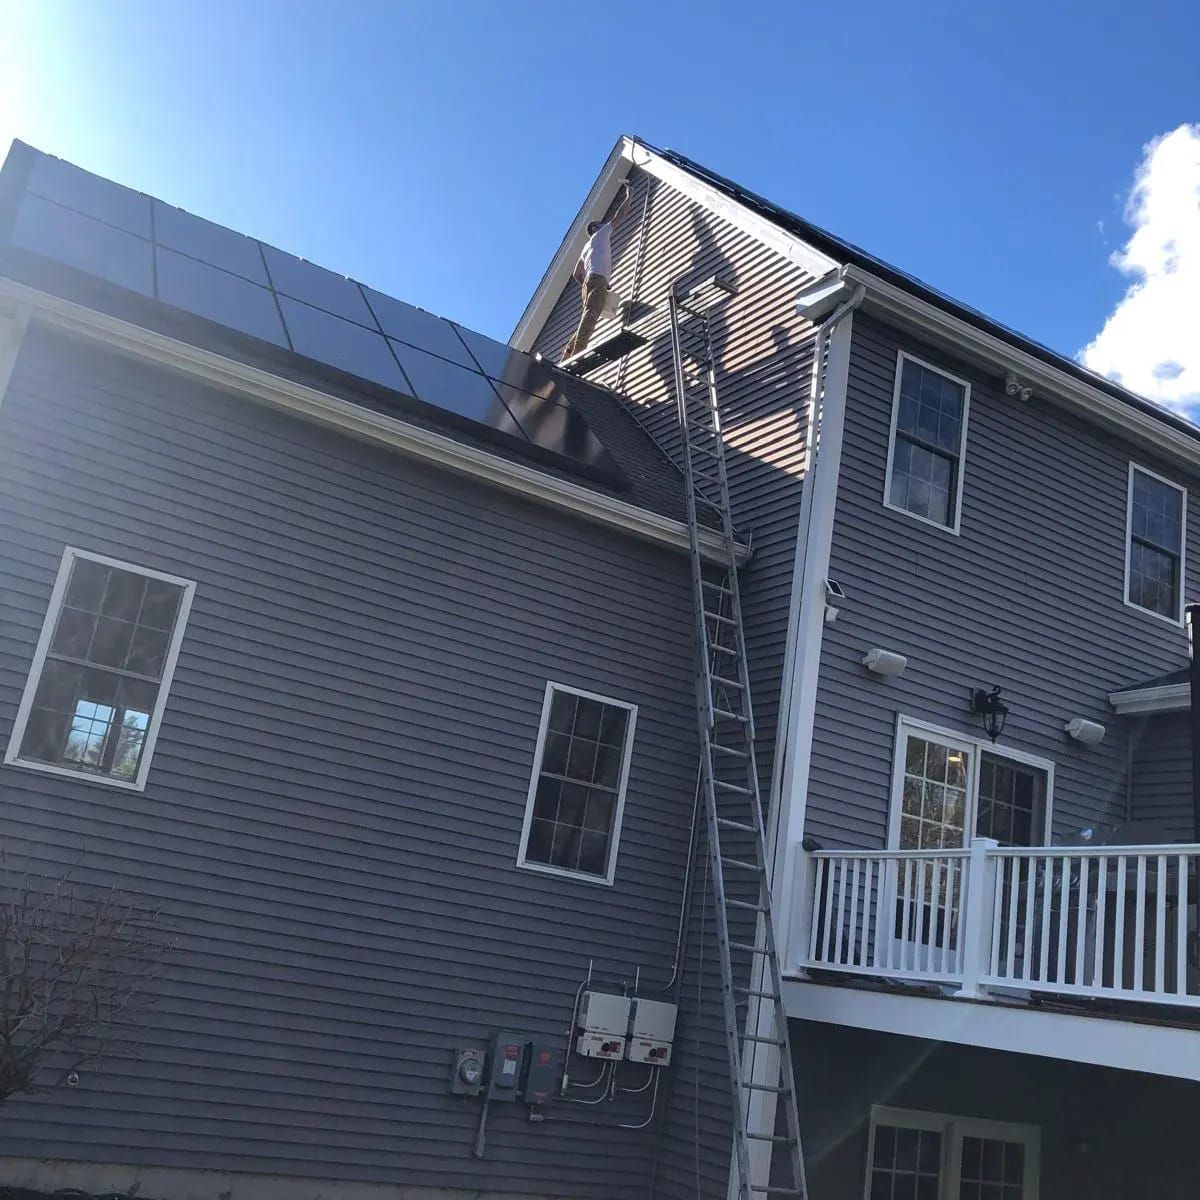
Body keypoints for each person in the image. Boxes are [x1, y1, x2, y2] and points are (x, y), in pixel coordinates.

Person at [560, 182, 631, 362]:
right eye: (600, 224)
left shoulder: (585, 247)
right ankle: (577, 354)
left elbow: (577, 273)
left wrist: (587, 281)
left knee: (588, 315)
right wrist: (630, 195)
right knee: (591, 315)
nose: (603, 225)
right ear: (596, 228)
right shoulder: (601, 233)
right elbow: (620, 215)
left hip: (589, 281)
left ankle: (569, 351)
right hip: (598, 278)